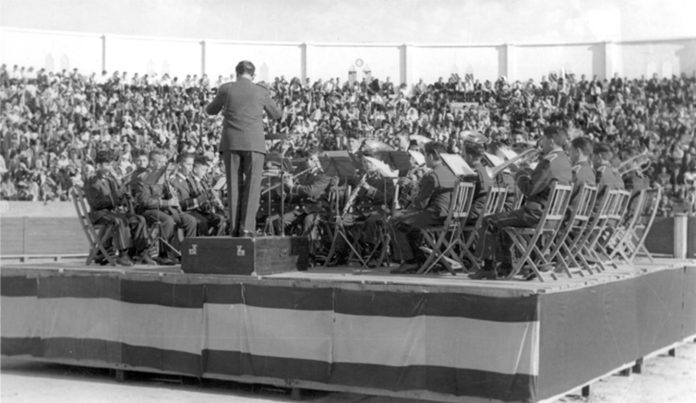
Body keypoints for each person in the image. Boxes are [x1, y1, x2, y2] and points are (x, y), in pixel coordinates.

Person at [471, 126, 572, 280]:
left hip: (534, 213)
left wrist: (518, 173)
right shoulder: (564, 161)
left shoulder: (548, 161)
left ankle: (488, 267)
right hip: (550, 216)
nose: (541, 143)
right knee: (504, 222)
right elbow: (543, 182)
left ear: (551, 141)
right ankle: (506, 265)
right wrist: (526, 172)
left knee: (490, 220)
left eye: (543, 139)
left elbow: (529, 189)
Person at [205, 60, 282, 237]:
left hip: (231, 143)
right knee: (253, 186)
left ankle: (234, 229)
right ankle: (247, 228)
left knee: (233, 186)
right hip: (254, 144)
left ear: (236, 72)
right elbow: (277, 115)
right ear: (253, 75)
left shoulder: (226, 88)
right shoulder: (261, 91)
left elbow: (210, 110)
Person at [389, 141, 457, 274]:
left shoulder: (432, 176)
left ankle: (410, 261)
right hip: (449, 215)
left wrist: (404, 209)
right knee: (408, 224)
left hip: (435, 215)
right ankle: (420, 258)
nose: (424, 159)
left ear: (431, 157)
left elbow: (420, 204)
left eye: (425, 155)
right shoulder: (451, 173)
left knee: (395, 220)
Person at [83, 150, 153, 265]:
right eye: (106, 164)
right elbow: (96, 203)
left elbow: (117, 197)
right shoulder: (92, 180)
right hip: (99, 214)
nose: (109, 167)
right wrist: (117, 197)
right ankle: (123, 254)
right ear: (98, 165)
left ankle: (142, 252)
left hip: (111, 212)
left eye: (110, 164)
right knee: (119, 220)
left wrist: (124, 195)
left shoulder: (111, 179)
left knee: (139, 219)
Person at [131, 149, 197, 263]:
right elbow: (144, 201)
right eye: (160, 162)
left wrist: (171, 195)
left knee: (190, 220)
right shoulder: (143, 177)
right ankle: (163, 253)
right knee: (168, 221)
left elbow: (168, 195)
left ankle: (188, 252)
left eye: (164, 162)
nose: (163, 165)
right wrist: (166, 203)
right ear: (152, 163)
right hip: (147, 210)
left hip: (164, 209)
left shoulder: (163, 176)